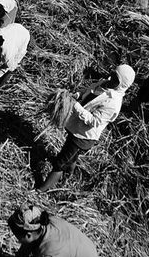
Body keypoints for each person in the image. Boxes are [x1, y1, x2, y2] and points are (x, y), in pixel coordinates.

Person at [37, 63, 136, 192]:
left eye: (116, 77)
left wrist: (76, 106)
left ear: (122, 84)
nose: (111, 77)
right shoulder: (104, 83)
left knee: (60, 163)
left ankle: (41, 190)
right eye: (113, 73)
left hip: (83, 136)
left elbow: (94, 121)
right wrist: (77, 96)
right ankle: (69, 175)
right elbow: (87, 92)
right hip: (76, 127)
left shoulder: (114, 103)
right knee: (71, 155)